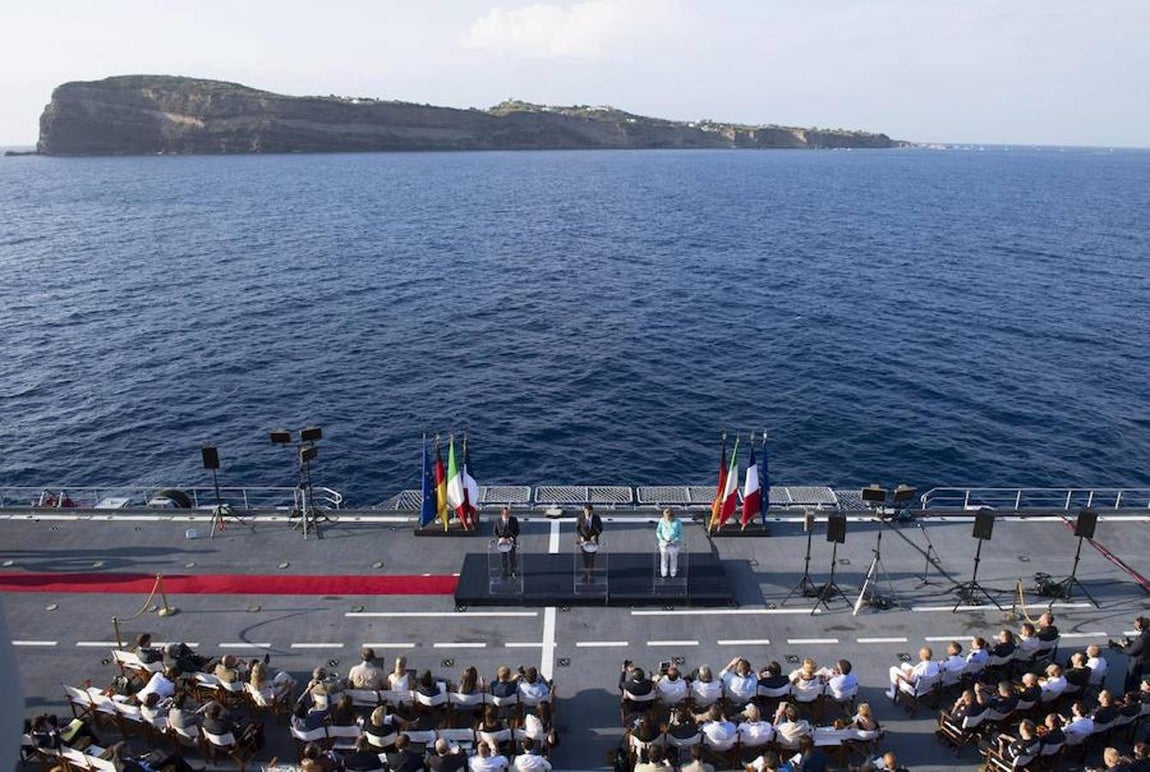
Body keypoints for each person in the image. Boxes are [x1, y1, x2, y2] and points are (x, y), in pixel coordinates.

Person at [1116, 616, 1148, 693]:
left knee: (1131, 682)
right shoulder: (1146, 634)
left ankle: (1129, 696)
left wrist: (1123, 647)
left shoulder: (1142, 638)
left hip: (1137, 663)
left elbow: (1131, 652)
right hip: (1145, 661)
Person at [576, 503, 603, 581]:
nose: (587, 513)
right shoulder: (580, 518)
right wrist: (580, 536)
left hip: (593, 541)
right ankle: (585, 574)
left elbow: (600, 528)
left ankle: (590, 574)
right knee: (585, 558)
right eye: (585, 511)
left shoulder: (596, 518)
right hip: (584, 540)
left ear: (591, 511)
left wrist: (596, 535)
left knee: (591, 558)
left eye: (588, 511)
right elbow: (578, 528)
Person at [493, 507, 520, 578]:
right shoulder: (498, 521)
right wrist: (500, 538)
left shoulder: (513, 520)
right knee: (503, 557)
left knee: (512, 557)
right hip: (502, 542)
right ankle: (504, 571)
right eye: (505, 514)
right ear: (502, 514)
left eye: (508, 513)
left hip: (511, 541)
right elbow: (495, 532)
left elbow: (517, 531)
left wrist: (511, 539)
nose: (507, 515)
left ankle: (513, 571)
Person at [655, 508, 682, 578]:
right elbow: (658, 532)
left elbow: (680, 533)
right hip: (664, 544)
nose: (667, 519)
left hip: (674, 544)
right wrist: (662, 539)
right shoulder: (661, 521)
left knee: (673, 559)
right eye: (665, 517)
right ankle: (664, 573)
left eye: (668, 518)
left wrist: (674, 540)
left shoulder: (678, 522)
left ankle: (673, 573)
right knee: (664, 559)